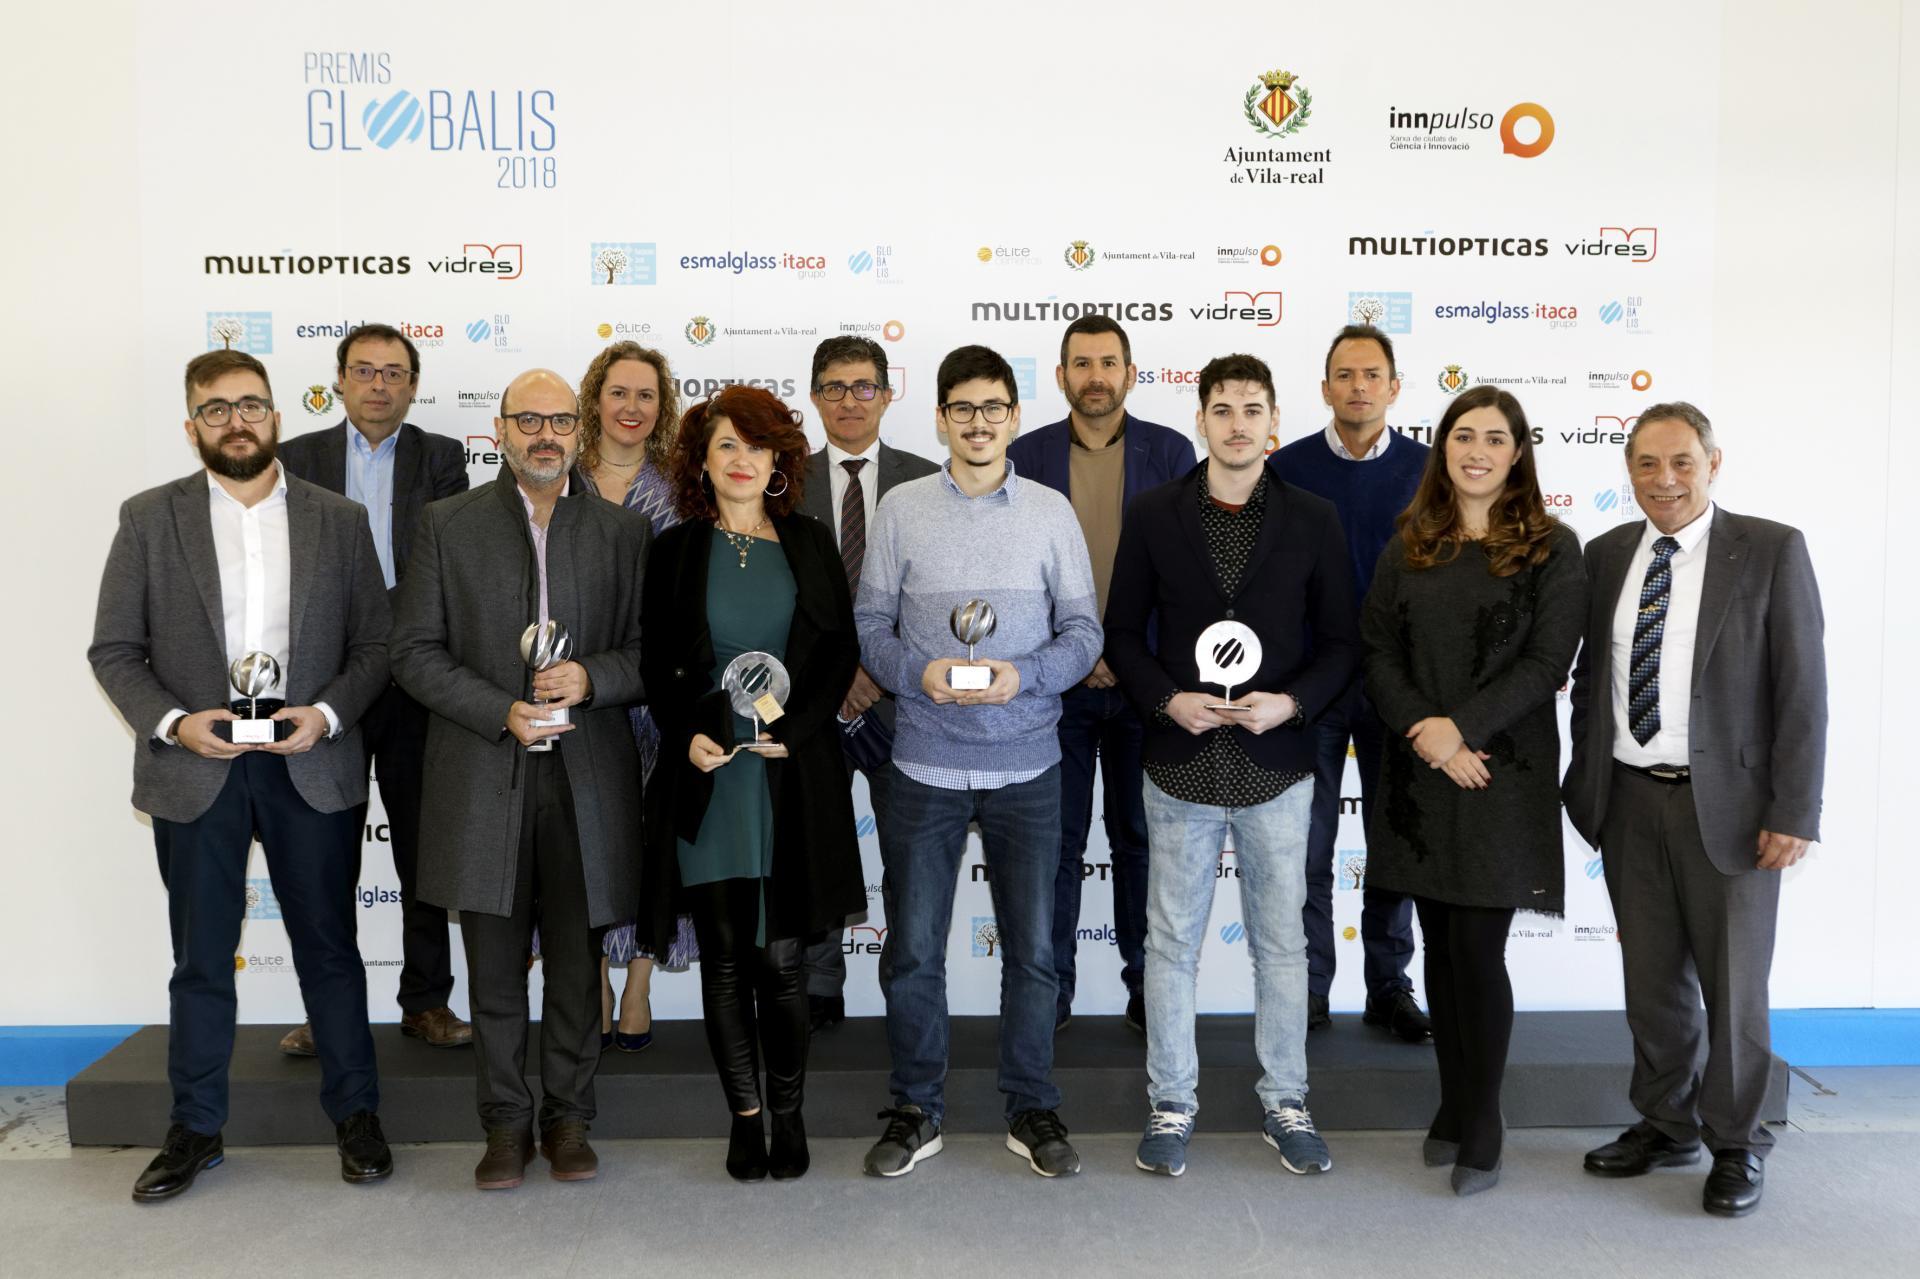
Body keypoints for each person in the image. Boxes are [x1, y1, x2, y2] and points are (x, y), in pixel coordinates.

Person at [89, 350, 394, 1201]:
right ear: (191, 425)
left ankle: (357, 1115)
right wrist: (175, 723)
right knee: (200, 960)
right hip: (197, 769)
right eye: (216, 408)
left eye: (251, 404)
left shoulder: (339, 519)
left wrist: (325, 713)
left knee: (330, 950)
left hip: (310, 763)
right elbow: (114, 649)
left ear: (276, 416)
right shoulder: (149, 518)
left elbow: (377, 644)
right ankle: (194, 1127)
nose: (236, 420)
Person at [390, 368, 651, 1191]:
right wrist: (500, 708)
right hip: (482, 771)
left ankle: (568, 1118)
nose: (545, 435)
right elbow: (413, 652)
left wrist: (593, 677)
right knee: (495, 969)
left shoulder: (623, 532)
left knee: (576, 965)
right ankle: (505, 1124)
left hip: (587, 779)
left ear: (579, 430)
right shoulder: (447, 524)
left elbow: (650, 653)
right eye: (528, 420)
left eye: (560, 420)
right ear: (499, 430)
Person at [1565, 402, 1826, 1218]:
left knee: (1734, 987)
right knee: (1652, 982)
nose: (1665, 478)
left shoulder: (1772, 549)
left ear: (1714, 462)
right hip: (1630, 800)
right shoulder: (1608, 554)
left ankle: (1738, 1142)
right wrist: (1586, 785)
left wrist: (1794, 809)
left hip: (1737, 812)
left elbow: (1803, 690)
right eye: (1647, 463)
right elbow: (1591, 682)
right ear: (1629, 471)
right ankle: (1666, 1122)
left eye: (1681, 461)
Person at [1107, 354, 1358, 1179]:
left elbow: (1342, 642)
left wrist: (1292, 703)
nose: (1238, 423)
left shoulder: (1314, 517)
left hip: (1275, 765)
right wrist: (1164, 699)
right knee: (1170, 943)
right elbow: (1122, 633)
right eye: (1223, 409)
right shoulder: (1153, 512)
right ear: (1201, 420)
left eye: (1253, 409)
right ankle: (1170, 1102)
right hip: (1179, 761)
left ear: (1274, 420)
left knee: (1282, 944)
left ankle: (1287, 1101)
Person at [854, 344, 1103, 1179]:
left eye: (993, 406)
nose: (978, 421)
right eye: (962, 407)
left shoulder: (1050, 513)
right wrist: (915, 673)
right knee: (913, 953)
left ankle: (1031, 1105)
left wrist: (1022, 676)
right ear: (940, 418)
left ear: (1015, 417)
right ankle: (916, 1107)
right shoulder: (901, 509)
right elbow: (870, 628)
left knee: (1034, 952)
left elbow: (1084, 635)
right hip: (923, 762)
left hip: (1028, 766)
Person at [1359, 385, 1586, 1196]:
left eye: (1494, 438)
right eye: (1463, 436)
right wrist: (1427, 731)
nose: (1477, 451)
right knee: (1442, 951)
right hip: (1423, 776)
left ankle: (1483, 1120)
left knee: (1479, 952)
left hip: (1500, 774)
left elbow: (1547, 662)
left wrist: (1460, 731)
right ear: (1443, 448)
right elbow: (1377, 649)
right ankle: (1453, 1105)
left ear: (1518, 452)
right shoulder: (1410, 543)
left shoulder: (1554, 547)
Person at [641, 385, 866, 1182]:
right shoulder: (674, 549)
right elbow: (656, 663)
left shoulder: (809, 540)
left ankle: (790, 1113)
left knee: (784, 962)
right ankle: (744, 1118)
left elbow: (838, 651)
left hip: (788, 777)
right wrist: (687, 733)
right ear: (701, 461)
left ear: (779, 459)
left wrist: (796, 732)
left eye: (757, 444)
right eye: (726, 445)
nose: (742, 459)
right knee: (727, 960)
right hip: (713, 781)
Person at [277, 321, 472, 1056]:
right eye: (364, 370)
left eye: (393, 372)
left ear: (413, 385)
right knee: (326, 853)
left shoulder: (440, 457)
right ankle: (330, 1010)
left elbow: (445, 564)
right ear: (339, 381)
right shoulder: (297, 459)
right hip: (327, 685)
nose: (378, 384)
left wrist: (397, 645)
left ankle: (426, 1002)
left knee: (425, 849)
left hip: (418, 683)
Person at [1006, 315, 1194, 1032]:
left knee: (1140, 841)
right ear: (1060, 377)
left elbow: (1185, 575)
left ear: (1130, 374)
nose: (1095, 376)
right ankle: (1050, 991)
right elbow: (1012, 576)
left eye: (1108, 363)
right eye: (1081, 363)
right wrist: (1075, 656)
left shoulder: (1170, 452)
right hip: (1054, 687)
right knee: (1056, 844)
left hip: (1145, 685)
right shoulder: (1025, 455)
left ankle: (1148, 987)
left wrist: (1125, 657)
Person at [1269, 324, 1431, 1042]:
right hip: (1313, 687)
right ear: (1325, 387)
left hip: (1402, 687)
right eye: (1345, 374)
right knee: (1308, 845)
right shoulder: (1288, 468)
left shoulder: (1431, 470)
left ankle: (1389, 986)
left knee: (1395, 843)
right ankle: (1309, 988)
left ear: (1393, 387)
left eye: (1371, 375)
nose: (1358, 386)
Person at [796, 335, 939, 1031]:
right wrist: (837, 675)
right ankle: (820, 981)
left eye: (862, 387)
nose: (849, 401)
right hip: (810, 704)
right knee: (817, 848)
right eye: (834, 387)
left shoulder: (928, 480)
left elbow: (939, 598)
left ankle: (903, 987)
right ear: (815, 397)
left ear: (886, 394)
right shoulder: (782, 481)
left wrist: (877, 672)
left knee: (908, 857)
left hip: (901, 705)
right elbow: (778, 597)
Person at [566, 340, 696, 1052]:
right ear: (595, 399)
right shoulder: (560, 478)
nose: (631, 406)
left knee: (650, 839)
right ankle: (593, 977)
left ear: (662, 406)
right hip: (573, 686)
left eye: (646, 395)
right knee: (579, 839)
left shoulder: (680, 488)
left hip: (657, 692)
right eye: (618, 392)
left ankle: (639, 981)